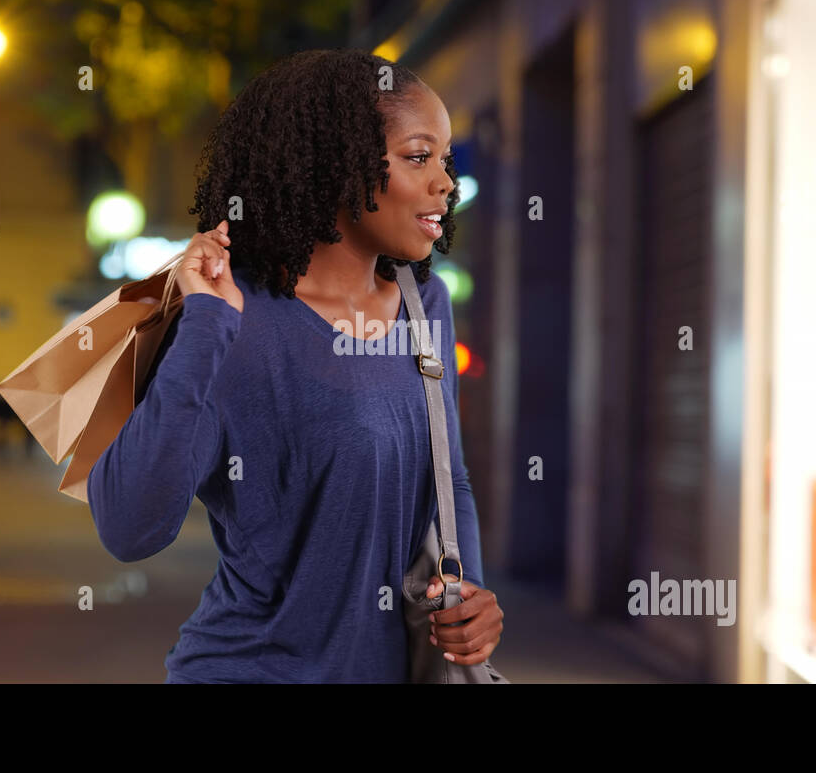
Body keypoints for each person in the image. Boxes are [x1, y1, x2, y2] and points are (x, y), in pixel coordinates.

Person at [87, 49, 504, 683]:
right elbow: (129, 527)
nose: (445, 181)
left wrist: (468, 593)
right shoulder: (231, 319)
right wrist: (203, 332)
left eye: (445, 160)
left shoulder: (426, 306)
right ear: (339, 168)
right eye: (419, 157)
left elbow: (450, 479)